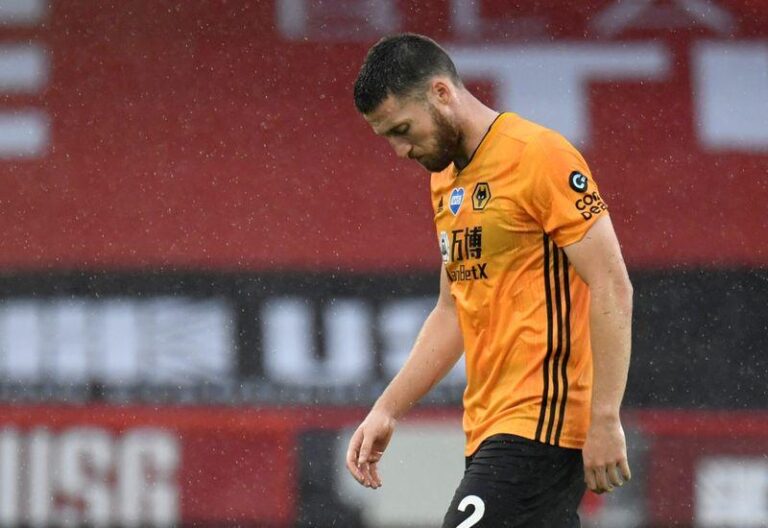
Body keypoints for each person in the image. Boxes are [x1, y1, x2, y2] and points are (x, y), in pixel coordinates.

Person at [346, 33, 633, 527]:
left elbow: (612, 284)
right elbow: (452, 311)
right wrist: (387, 410)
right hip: (487, 428)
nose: (399, 150)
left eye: (402, 129)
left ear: (441, 93)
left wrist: (605, 417)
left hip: (541, 421)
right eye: (387, 137)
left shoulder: (537, 155)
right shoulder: (445, 179)